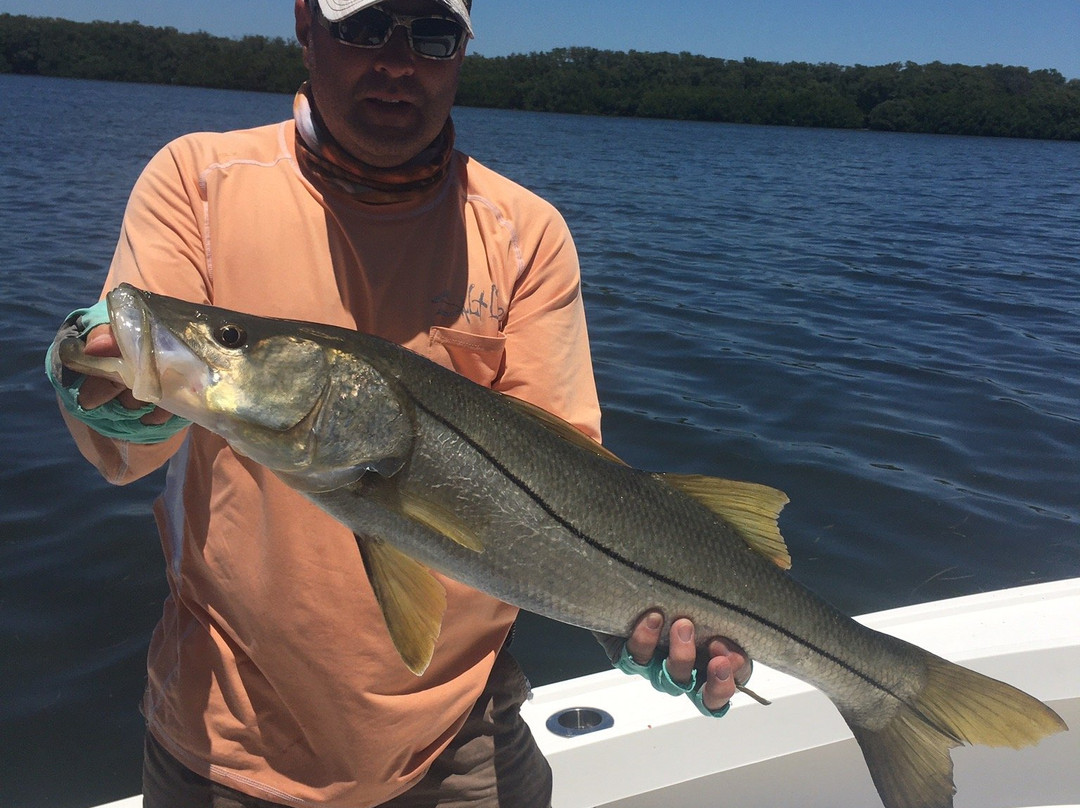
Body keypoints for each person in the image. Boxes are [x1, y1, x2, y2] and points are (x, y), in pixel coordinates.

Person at [47, 1, 752, 805]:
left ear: (462, 51)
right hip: (224, 743)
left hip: (462, 743)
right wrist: (97, 378)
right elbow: (129, 445)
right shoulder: (198, 182)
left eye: (431, 34)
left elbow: (576, 496)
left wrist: (626, 616)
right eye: (364, 27)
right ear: (307, 27)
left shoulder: (527, 233)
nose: (397, 61)